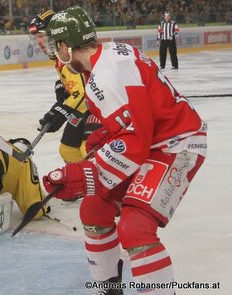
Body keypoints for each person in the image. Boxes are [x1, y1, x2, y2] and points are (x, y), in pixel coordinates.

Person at [43, 7, 206, 294]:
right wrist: (101, 138)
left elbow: (134, 143)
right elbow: (132, 120)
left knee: (135, 229)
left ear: (66, 46)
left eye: (56, 46)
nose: (56, 52)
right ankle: (108, 287)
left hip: (176, 143)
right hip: (153, 140)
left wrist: (84, 174)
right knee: (93, 210)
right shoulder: (109, 55)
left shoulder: (105, 76)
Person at [29, 9, 100, 164]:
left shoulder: (69, 53)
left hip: (96, 109)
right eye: (36, 37)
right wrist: (62, 87)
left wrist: (61, 112)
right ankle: (83, 182)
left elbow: (82, 93)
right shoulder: (59, 56)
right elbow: (75, 85)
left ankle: (98, 183)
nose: (39, 42)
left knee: (86, 149)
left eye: (41, 36)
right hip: (83, 110)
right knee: (68, 149)